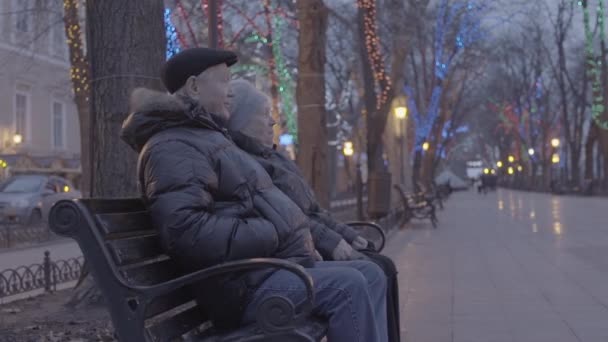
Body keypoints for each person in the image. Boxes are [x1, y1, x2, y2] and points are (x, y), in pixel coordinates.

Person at [120, 47, 388, 342]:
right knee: (347, 285)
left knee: (369, 273)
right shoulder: (173, 146)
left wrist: (300, 237)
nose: (230, 93)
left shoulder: (204, 138)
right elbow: (187, 231)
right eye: (223, 81)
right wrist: (273, 233)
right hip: (240, 288)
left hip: (261, 273)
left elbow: (263, 205)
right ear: (194, 87)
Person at [227, 79, 401, 342]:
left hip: (290, 257)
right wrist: (331, 242)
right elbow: (290, 217)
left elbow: (312, 210)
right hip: (273, 269)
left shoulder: (273, 157)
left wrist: (345, 234)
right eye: (265, 115)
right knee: (357, 280)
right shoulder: (250, 163)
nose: (273, 122)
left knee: (378, 269)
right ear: (243, 120)